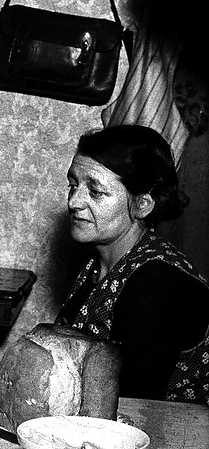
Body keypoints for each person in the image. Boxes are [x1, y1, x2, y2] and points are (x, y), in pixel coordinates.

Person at [56, 124, 209, 404]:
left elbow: (133, 405)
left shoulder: (155, 282)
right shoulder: (97, 262)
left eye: (96, 191)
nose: (74, 202)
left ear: (142, 204)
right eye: (73, 185)